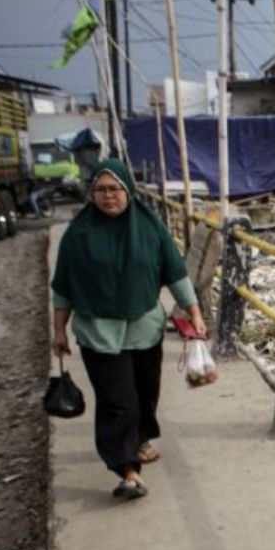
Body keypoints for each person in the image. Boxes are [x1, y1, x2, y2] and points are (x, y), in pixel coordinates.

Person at [51, 159, 206, 500]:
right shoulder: (77, 235)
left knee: (145, 393)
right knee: (117, 402)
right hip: (98, 332)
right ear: (91, 194)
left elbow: (175, 272)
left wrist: (194, 312)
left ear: (129, 191)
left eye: (115, 189)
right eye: (101, 190)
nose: (108, 196)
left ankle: (139, 437)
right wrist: (59, 330)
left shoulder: (150, 228)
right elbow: (62, 286)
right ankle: (128, 470)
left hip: (144, 329)